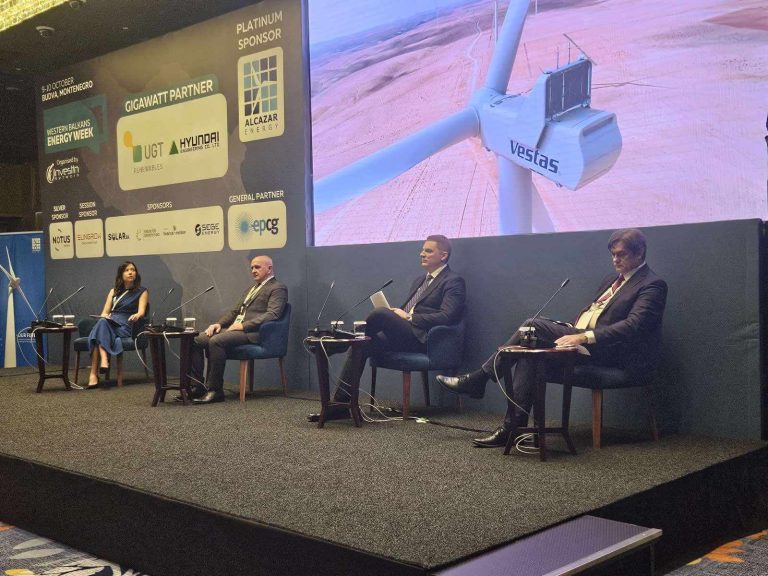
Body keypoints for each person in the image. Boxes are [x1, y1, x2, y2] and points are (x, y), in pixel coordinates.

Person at [437, 228, 668, 447]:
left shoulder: (652, 285)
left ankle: (479, 378)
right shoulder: (612, 280)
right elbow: (595, 314)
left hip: (612, 353)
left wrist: (584, 337)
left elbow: (633, 326)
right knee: (528, 353)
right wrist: (571, 329)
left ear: (639, 253)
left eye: (621, 255)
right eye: (613, 255)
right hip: (585, 341)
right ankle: (513, 428)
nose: (615, 260)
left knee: (532, 324)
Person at [308, 234, 466, 421]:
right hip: (404, 334)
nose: (422, 254)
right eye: (422, 250)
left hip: (424, 338)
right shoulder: (420, 280)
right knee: (362, 345)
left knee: (380, 314)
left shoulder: (453, 281)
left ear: (443, 256)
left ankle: (343, 342)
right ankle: (339, 406)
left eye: (428, 251)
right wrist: (398, 313)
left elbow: (448, 316)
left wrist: (409, 316)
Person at [189, 255, 287, 404]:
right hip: (236, 330)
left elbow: (273, 314)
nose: (253, 270)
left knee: (216, 341)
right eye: (252, 267)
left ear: (269, 269)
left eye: (257, 267)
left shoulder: (278, 288)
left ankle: (215, 390)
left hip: (254, 333)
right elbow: (235, 312)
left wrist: (244, 326)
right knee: (196, 339)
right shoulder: (251, 289)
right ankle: (197, 386)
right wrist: (219, 324)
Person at [87, 261, 149, 388]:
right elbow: (104, 313)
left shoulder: (142, 291)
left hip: (125, 325)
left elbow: (141, 312)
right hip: (111, 323)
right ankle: (103, 361)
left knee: (97, 333)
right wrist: (105, 317)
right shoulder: (113, 291)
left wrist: (137, 315)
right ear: (121, 275)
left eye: (133, 270)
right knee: (102, 321)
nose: (130, 272)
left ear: (136, 274)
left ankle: (95, 372)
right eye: (127, 270)